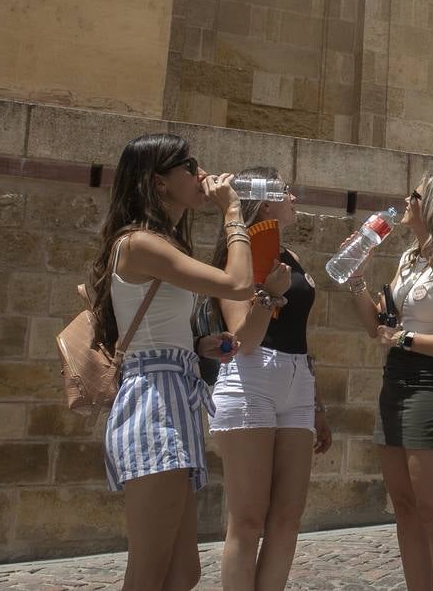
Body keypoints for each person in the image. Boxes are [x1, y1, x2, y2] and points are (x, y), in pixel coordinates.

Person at [89, 134, 289, 591]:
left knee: (182, 572)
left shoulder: (163, 242)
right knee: (148, 571)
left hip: (175, 392)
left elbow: (152, 326)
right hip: (152, 404)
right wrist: (234, 212)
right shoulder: (138, 243)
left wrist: (197, 346)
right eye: (188, 166)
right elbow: (237, 283)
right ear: (159, 182)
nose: (201, 174)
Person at [343, 174, 433, 591]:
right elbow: (377, 326)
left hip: (432, 385)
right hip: (396, 380)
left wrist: (405, 338)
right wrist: (356, 279)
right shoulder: (409, 258)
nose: (406, 199)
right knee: (403, 506)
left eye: (416, 195)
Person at [205, 167, 334, 590]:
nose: (294, 196)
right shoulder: (237, 255)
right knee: (247, 520)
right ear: (262, 199)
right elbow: (243, 338)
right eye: (284, 190)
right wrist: (268, 296)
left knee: (288, 519)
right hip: (251, 377)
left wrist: (316, 403)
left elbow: (299, 331)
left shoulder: (289, 255)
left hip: (297, 380)